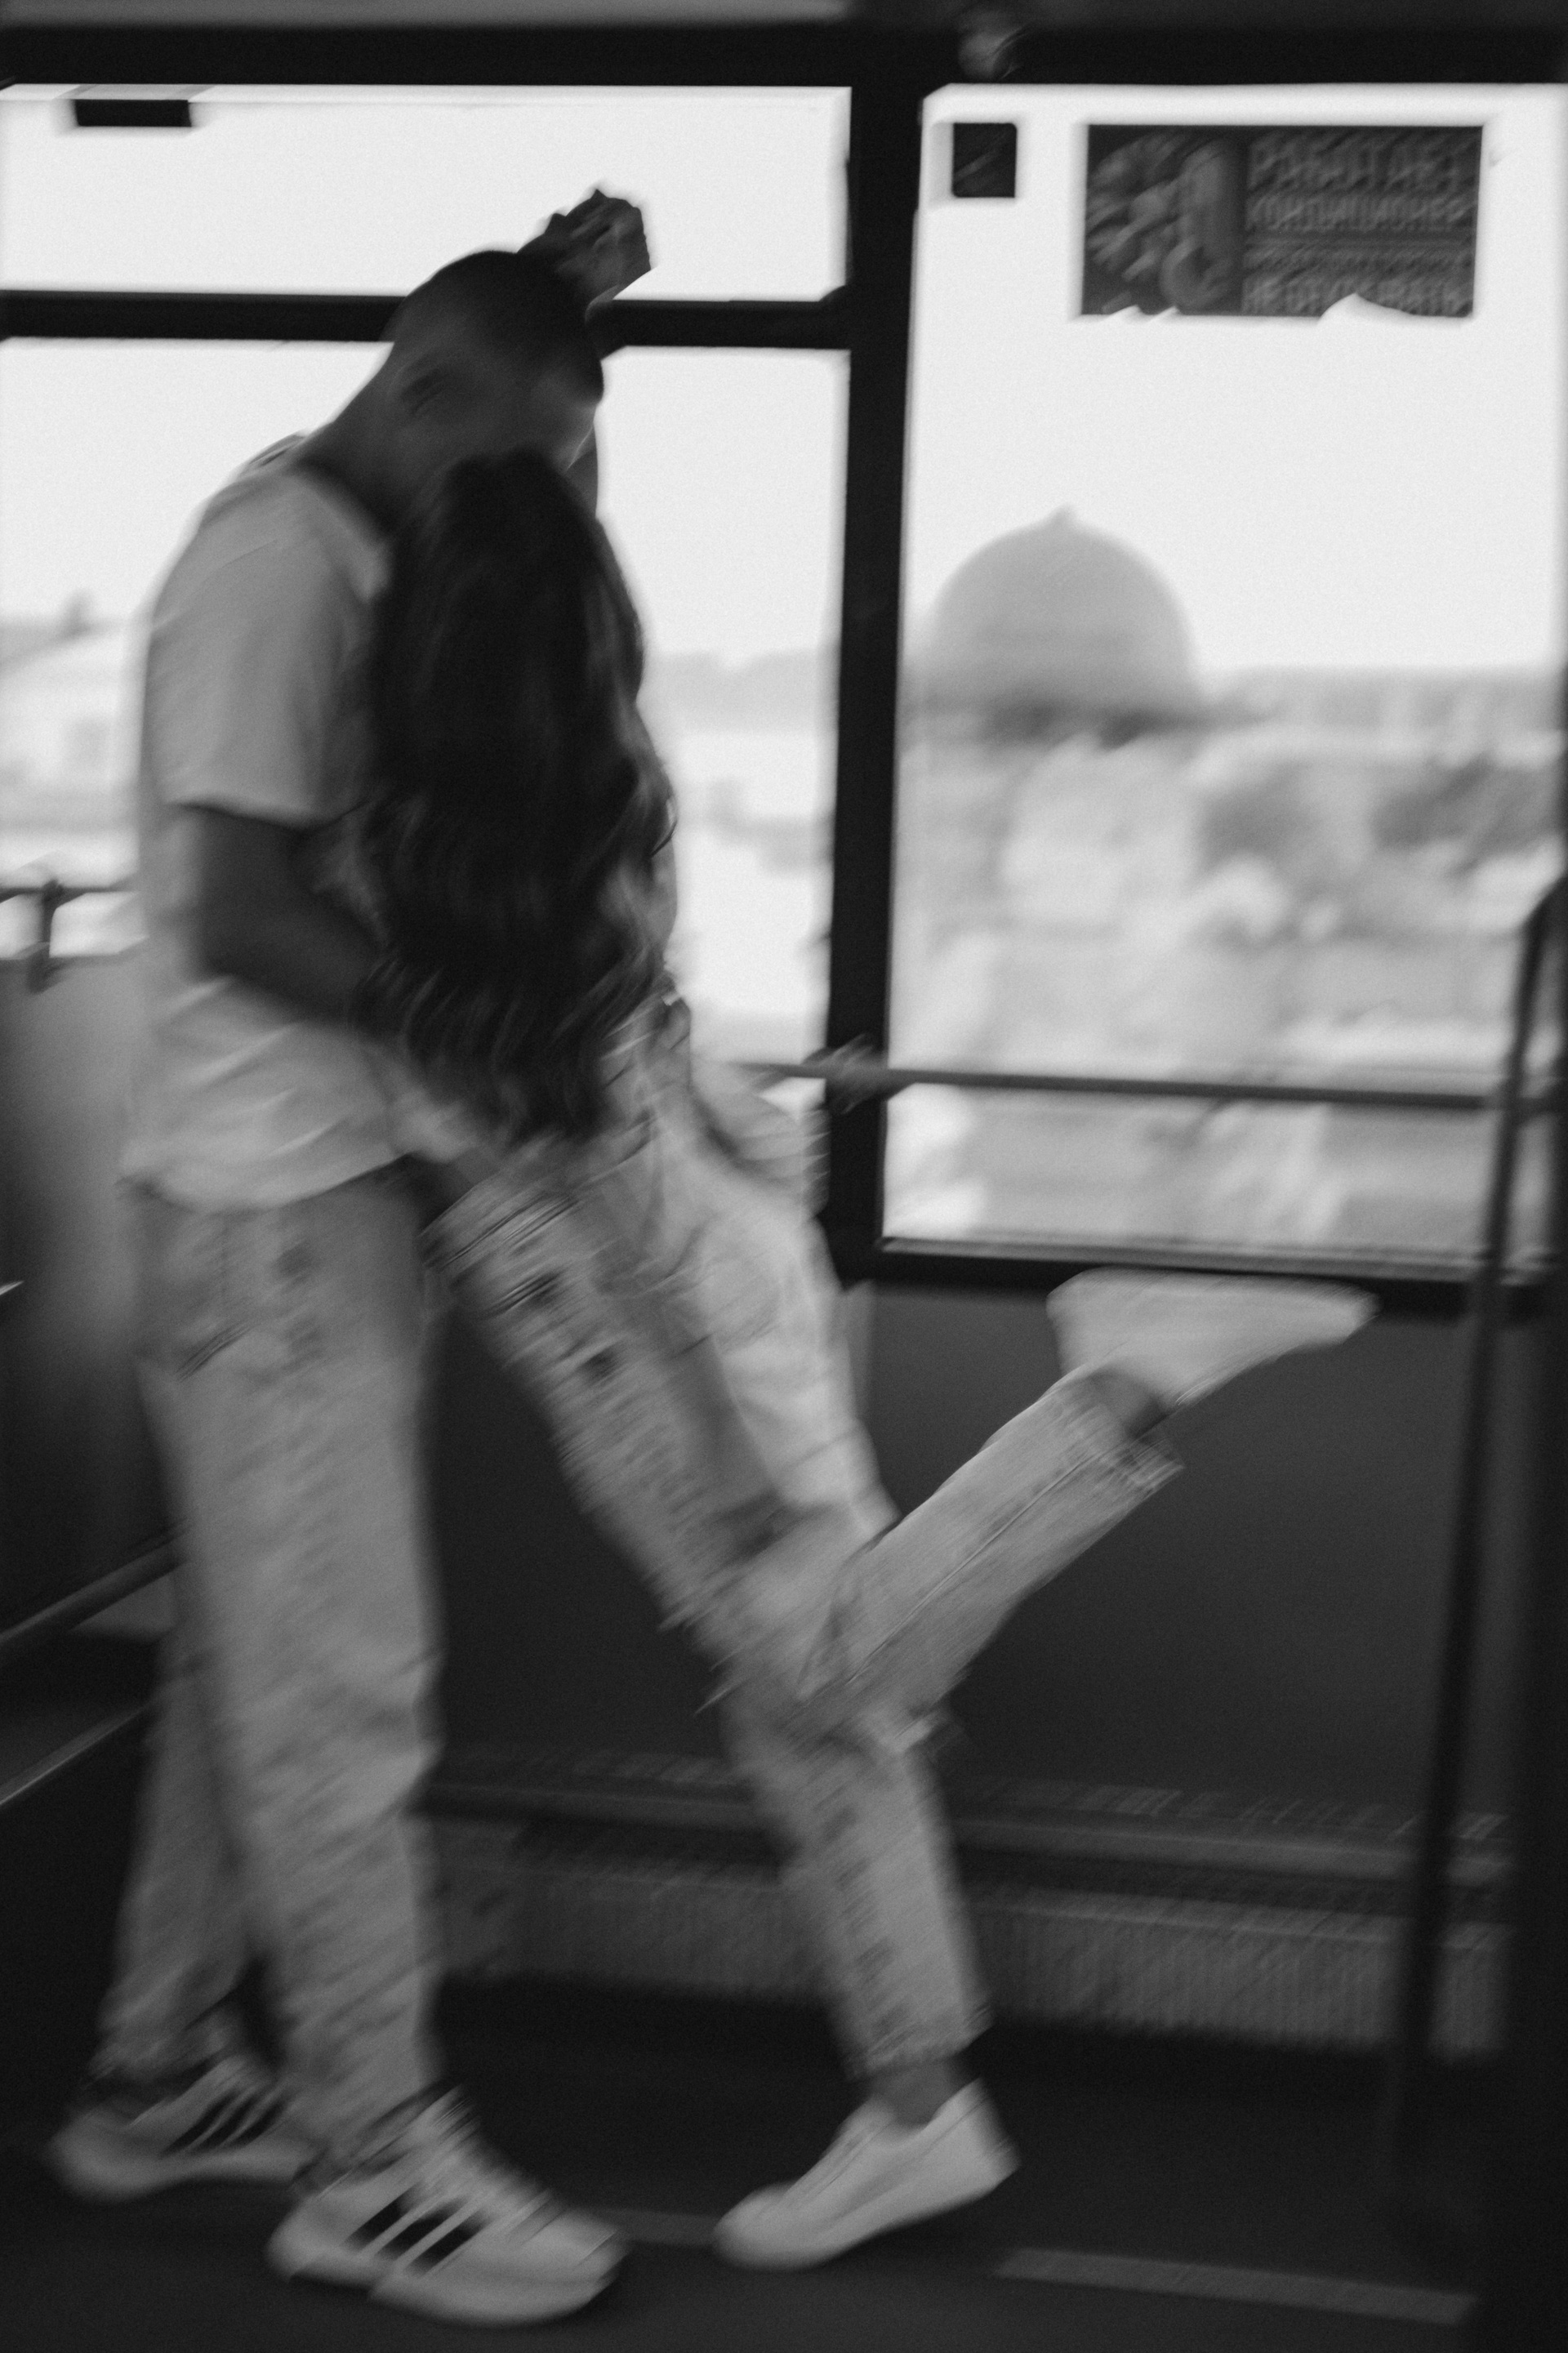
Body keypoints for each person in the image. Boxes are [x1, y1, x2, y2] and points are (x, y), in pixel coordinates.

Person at [346, 446, 1376, 2275]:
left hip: (628, 1312)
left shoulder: (416, 863)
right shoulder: (609, 811)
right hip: (736, 1233)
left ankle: (1121, 1388)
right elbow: (662, 1089)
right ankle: (917, 2110)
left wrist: (720, 1445)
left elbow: (594, 1202)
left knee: (820, 1663)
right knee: (821, 1713)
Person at [47, 212, 651, 2332]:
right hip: (275, 1212)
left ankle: (152, 2074)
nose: (536, 510)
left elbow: (491, 365)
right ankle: (374, 2158)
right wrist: (474, 1026)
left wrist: (575, 296)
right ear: (412, 397)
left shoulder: (365, 522)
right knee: (344, 1701)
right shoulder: (277, 570)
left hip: (304, 1203)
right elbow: (227, 911)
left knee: (251, 1672)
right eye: (517, 463)